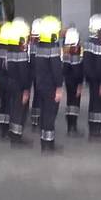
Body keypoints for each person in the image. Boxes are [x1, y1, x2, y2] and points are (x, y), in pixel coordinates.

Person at [33, 16, 64, 153]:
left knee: (45, 113)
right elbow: (57, 70)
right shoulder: (53, 49)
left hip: (41, 85)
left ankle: (44, 142)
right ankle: (49, 145)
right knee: (50, 115)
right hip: (51, 87)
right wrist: (59, 87)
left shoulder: (39, 47)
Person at [7, 19, 33, 147]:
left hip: (11, 84)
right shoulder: (21, 53)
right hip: (20, 86)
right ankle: (16, 139)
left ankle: (13, 134)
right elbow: (23, 73)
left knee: (13, 109)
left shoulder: (10, 51)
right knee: (20, 111)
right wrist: (26, 89)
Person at [84, 14, 101, 140]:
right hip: (98, 80)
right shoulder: (99, 44)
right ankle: (96, 131)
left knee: (92, 103)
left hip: (91, 78)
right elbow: (100, 66)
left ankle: (92, 129)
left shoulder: (88, 42)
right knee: (98, 105)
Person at [62, 27, 85, 137]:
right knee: (75, 103)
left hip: (68, 80)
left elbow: (64, 67)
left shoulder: (65, 49)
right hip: (75, 81)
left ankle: (70, 126)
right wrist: (80, 84)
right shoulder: (76, 50)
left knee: (69, 102)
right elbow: (77, 69)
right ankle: (72, 127)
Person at [0, 22, 14, 140]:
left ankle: (2, 128)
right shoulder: (10, 50)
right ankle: (6, 129)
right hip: (8, 81)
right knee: (8, 105)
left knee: (3, 105)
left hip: (1, 81)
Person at [28, 18, 42, 128]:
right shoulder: (41, 43)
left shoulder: (29, 42)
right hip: (38, 72)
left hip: (28, 71)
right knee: (38, 95)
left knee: (28, 95)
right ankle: (36, 119)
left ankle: (34, 119)